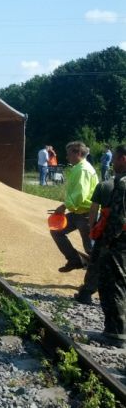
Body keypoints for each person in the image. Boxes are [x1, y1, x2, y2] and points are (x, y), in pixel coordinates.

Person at [50, 141, 99, 273]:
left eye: (69, 154)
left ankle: (99, 279)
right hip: (78, 213)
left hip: (87, 214)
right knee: (56, 231)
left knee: (91, 248)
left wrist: (64, 206)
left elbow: (80, 194)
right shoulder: (79, 168)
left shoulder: (83, 170)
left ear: (78, 153)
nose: (67, 157)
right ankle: (75, 260)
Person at [97, 144, 126, 348]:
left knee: (113, 284)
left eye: (115, 158)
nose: (113, 162)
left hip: (119, 244)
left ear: (123, 159)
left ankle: (115, 333)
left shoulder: (123, 184)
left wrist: (106, 242)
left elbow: (118, 218)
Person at [73, 176, 114, 304]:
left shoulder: (104, 186)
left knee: (96, 263)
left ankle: (86, 293)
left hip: (106, 232)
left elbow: (94, 209)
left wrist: (93, 228)